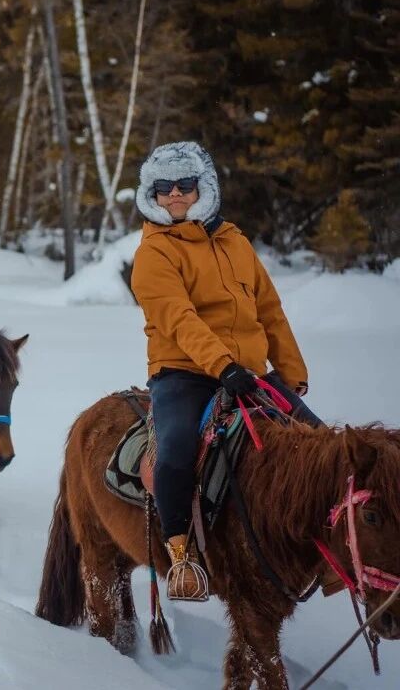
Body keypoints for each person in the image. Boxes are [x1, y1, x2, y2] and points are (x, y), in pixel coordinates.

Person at [130, 141, 321, 602]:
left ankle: (327, 549)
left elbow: (270, 310)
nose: (174, 195)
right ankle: (181, 553)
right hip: (184, 372)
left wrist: (290, 376)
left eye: (185, 185)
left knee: (320, 447)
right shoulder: (154, 253)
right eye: (163, 188)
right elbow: (179, 318)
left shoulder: (235, 241)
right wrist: (222, 366)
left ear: (205, 187)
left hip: (249, 373)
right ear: (150, 194)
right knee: (175, 451)